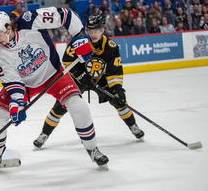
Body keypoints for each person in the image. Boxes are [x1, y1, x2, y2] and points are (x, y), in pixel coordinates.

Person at [0, 8, 109, 172]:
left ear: (8, 27)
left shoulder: (30, 20)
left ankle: (93, 149)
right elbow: (11, 78)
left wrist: (80, 37)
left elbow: (65, 15)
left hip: (54, 75)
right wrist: (17, 102)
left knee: (78, 106)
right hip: (25, 84)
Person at [33, 13, 145, 150]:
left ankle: (133, 126)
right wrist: (82, 78)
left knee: (119, 100)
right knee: (60, 106)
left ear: (103, 30)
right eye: (90, 30)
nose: (93, 33)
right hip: (78, 79)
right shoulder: (79, 42)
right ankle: (44, 134)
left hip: (100, 78)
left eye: (97, 30)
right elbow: (67, 61)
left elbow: (114, 71)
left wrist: (117, 89)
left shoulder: (111, 46)